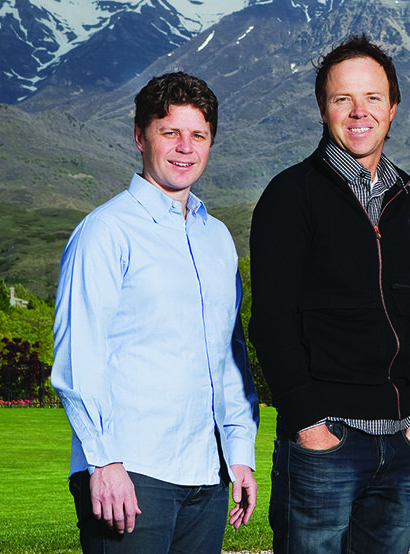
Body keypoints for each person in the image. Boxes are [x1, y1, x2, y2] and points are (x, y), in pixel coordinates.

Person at [51, 72, 259, 553]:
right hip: (129, 473)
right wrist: (102, 462)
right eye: (170, 132)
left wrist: (240, 455)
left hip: (207, 474)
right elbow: (78, 358)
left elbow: (229, 359)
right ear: (141, 137)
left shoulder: (218, 239)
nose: (185, 147)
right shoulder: (105, 232)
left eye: (198, 135)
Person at [249, 34, 410, 554]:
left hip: (400, 440)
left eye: (373, 98)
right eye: (343, 99)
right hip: (326, 440)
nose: (359, 112)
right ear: (322, 108)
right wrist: (309, 425)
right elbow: (270, 322)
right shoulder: (290, 196)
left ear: (394, 108)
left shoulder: (403, 197)